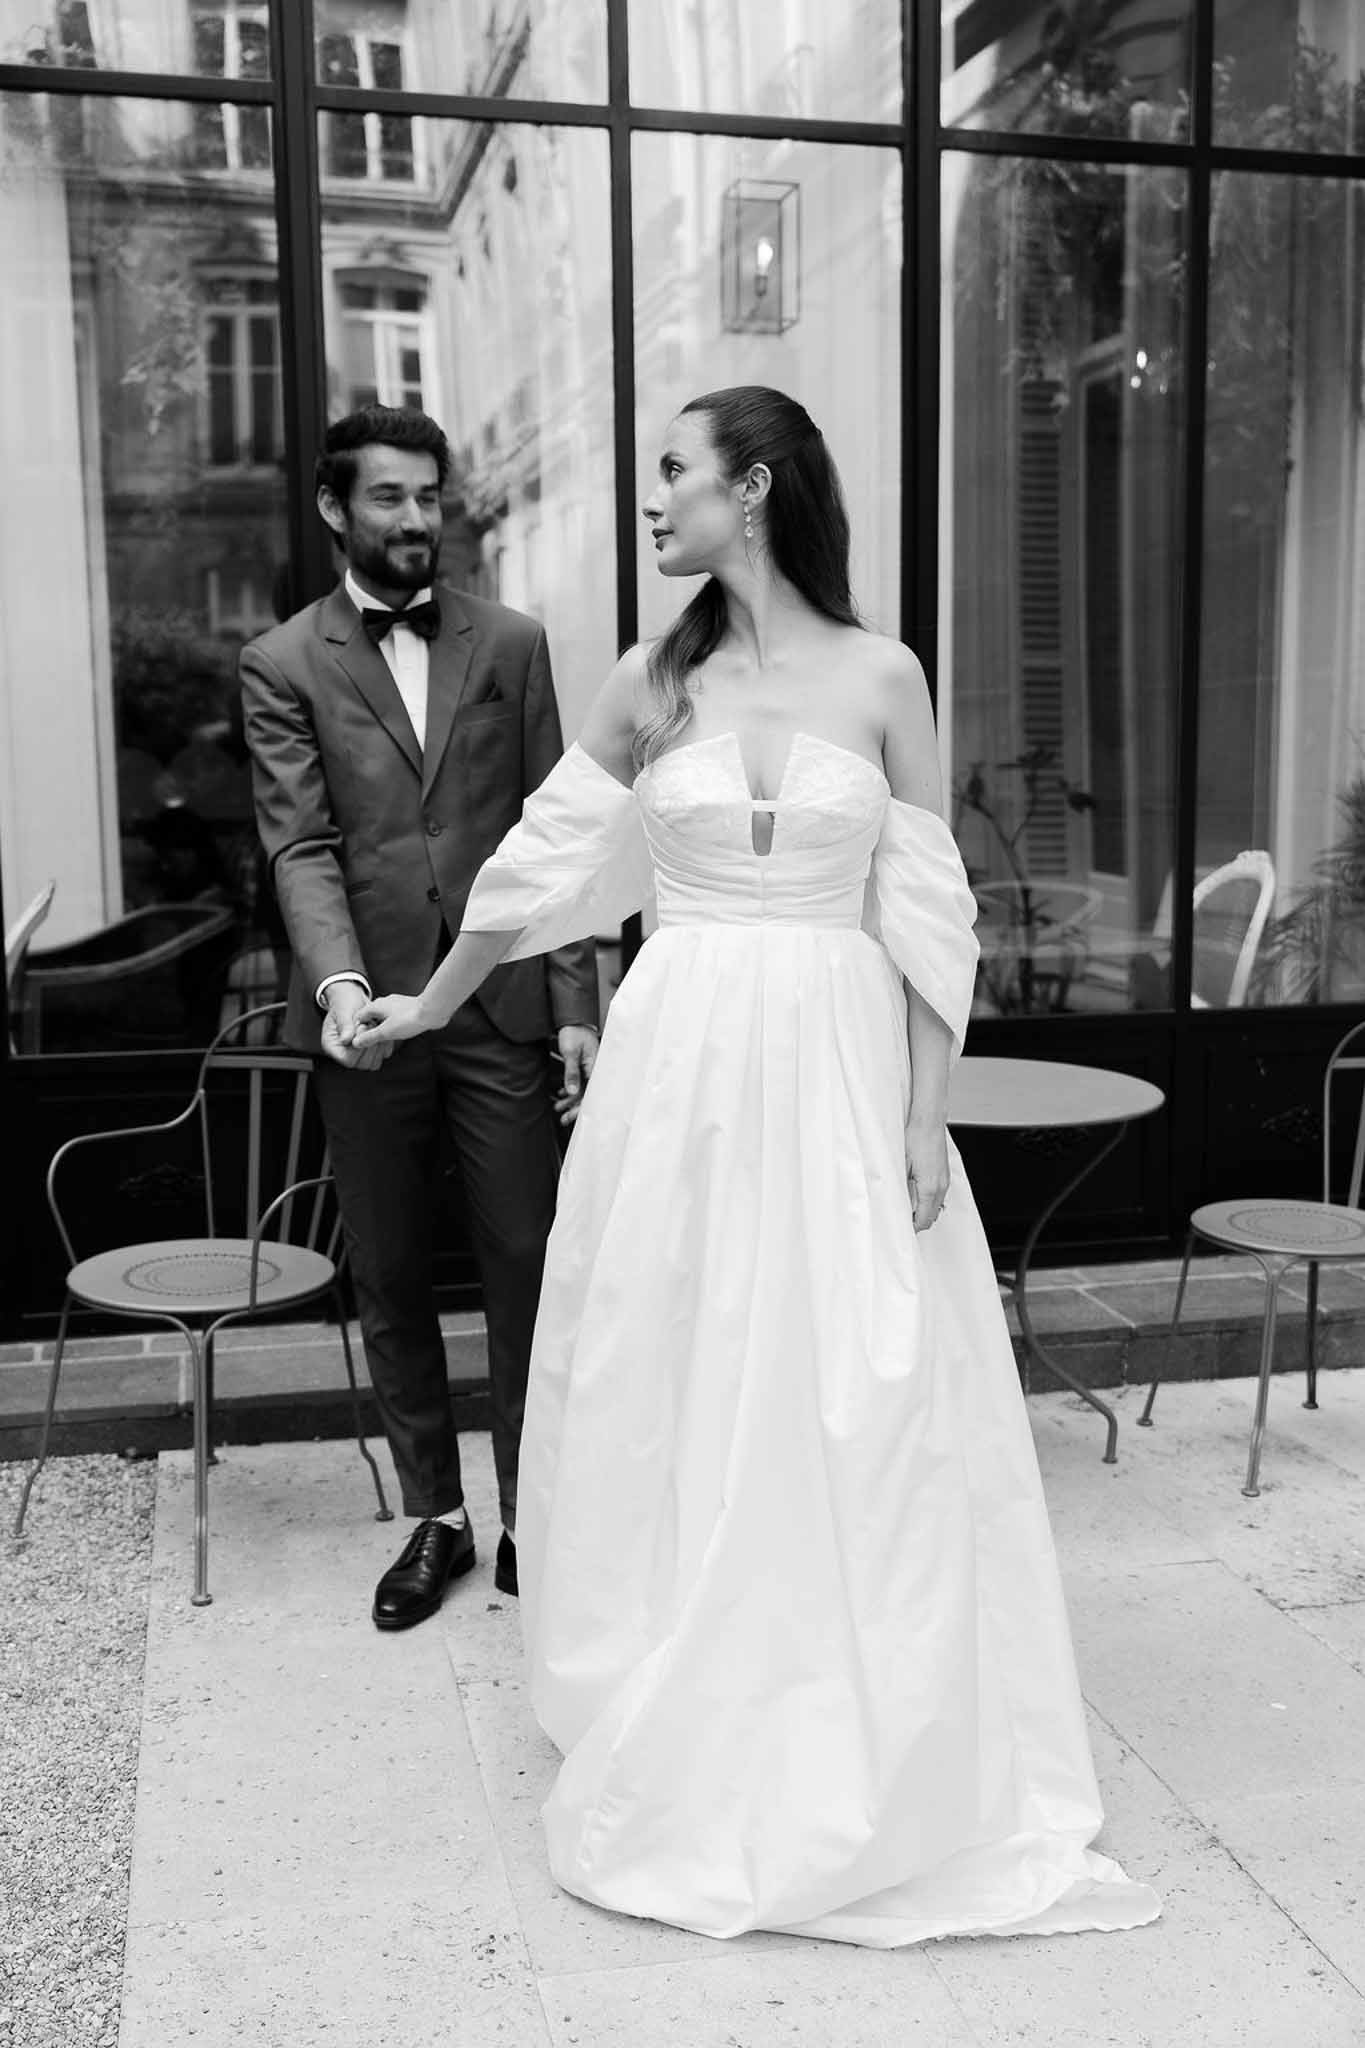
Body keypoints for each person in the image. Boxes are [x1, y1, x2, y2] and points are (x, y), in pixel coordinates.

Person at [352, 387, 1160, 1944]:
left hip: (848, 1066)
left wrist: (925, 1114)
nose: (655, 504)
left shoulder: (883, 673)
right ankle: (689, 1677)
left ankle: (870, 1709)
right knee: (689, 1361)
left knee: (858, 1379)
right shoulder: (651, 681)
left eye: (675, 475)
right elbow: (531, 875)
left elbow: (927, 907)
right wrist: (428, 1004)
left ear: (758, 488)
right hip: (685, 1068)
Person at [240, 405, 600, 1633]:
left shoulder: (513, 643)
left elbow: (557, 838)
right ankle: (435, 1516)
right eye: (388, 497)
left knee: (527, 1261)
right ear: (337, 509)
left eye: (429, 496)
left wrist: (571, 1005)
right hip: (369, 1024)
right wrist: (343, 989)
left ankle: (533, 1513)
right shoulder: (283, 662)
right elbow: (302, 846)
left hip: (499, 1009)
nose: (413, 519)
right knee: (391, 1270)